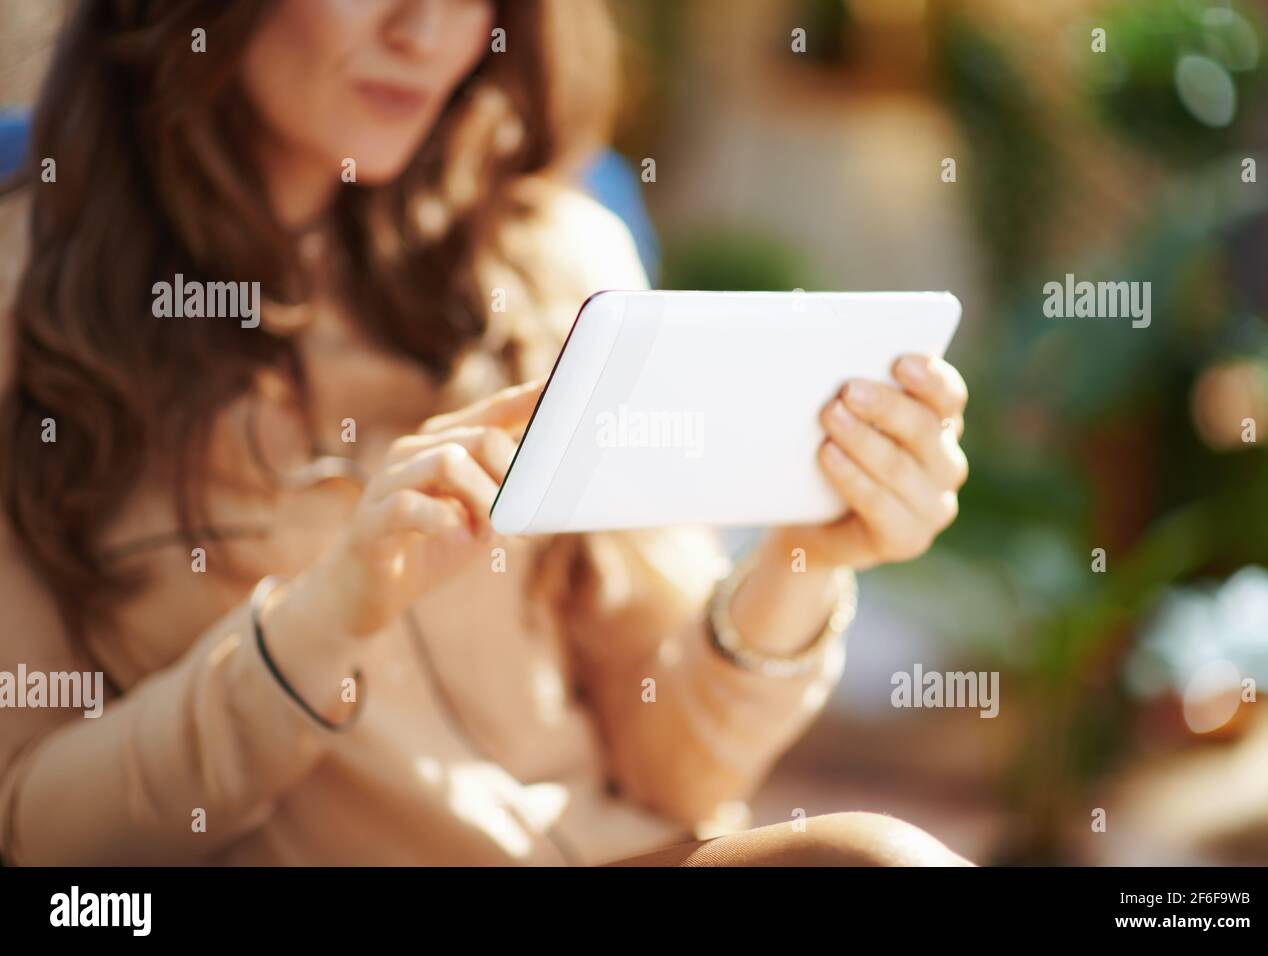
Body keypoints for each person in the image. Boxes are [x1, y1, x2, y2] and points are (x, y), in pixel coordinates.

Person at [0, 0, 970, 866]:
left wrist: (802, 556)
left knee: (877, 860)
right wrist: (326, 613)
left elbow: (672, 770)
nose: (425, 32)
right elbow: (32, 828)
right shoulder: (23, 310)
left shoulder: (554, 257)